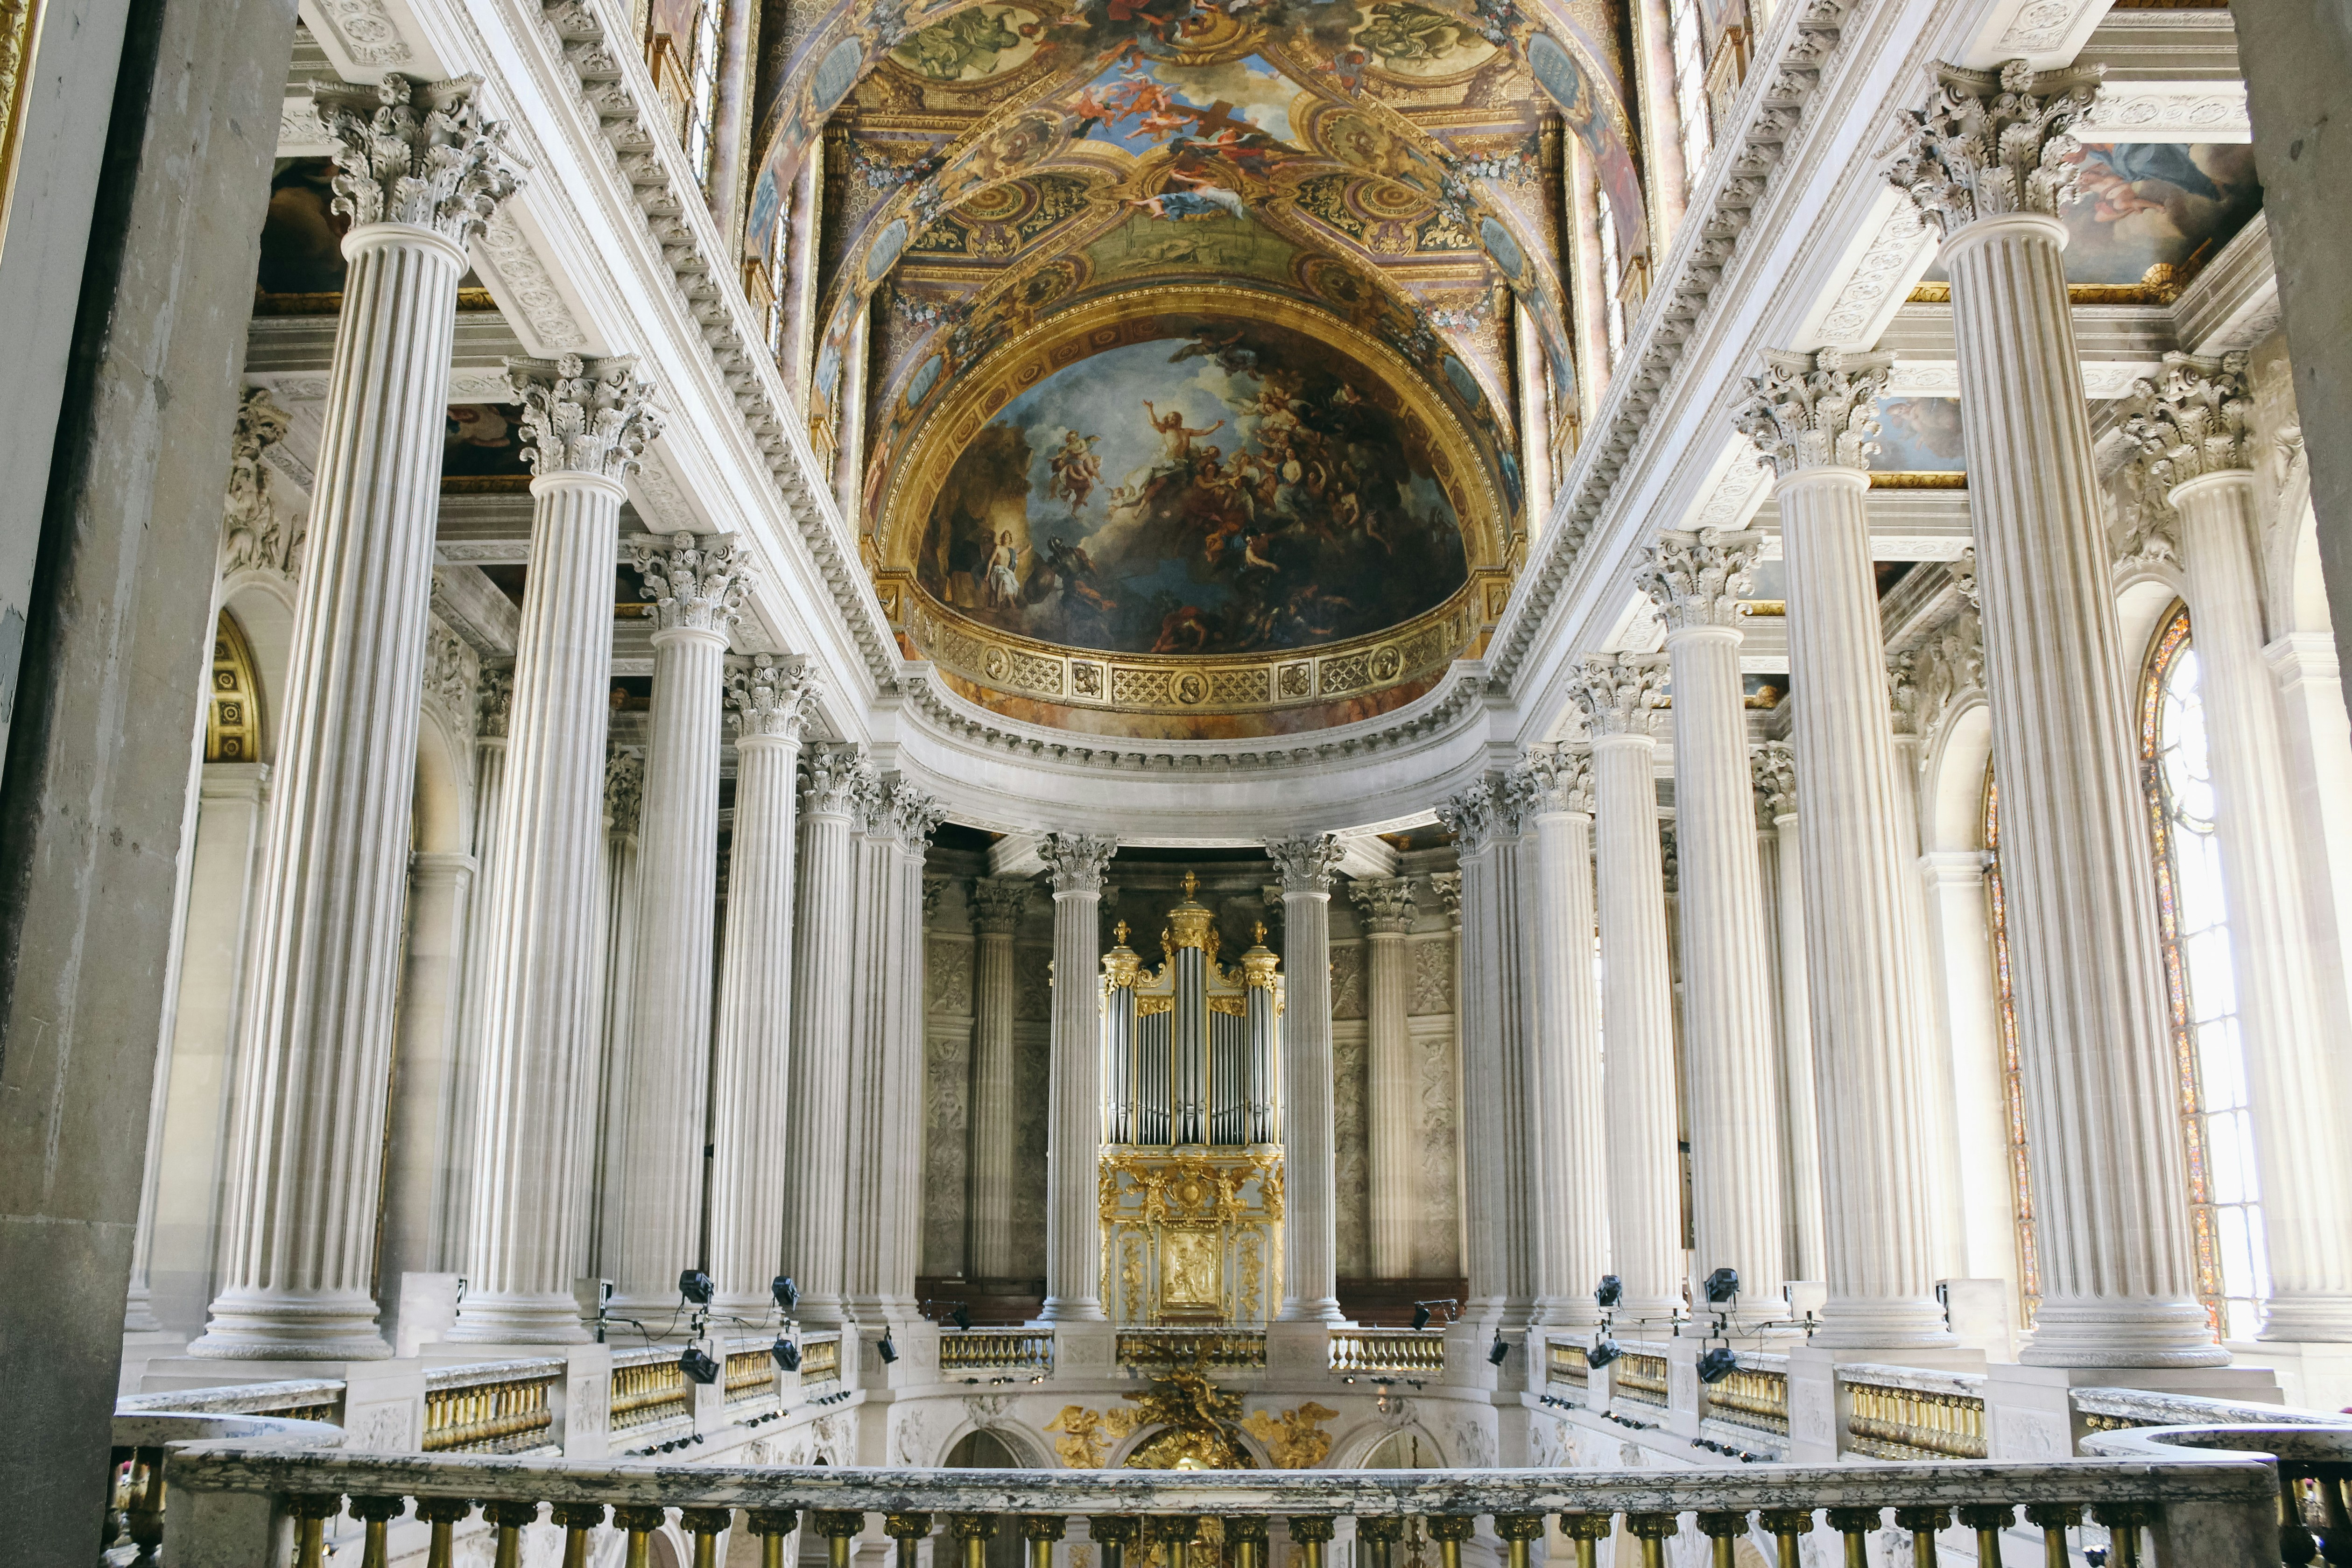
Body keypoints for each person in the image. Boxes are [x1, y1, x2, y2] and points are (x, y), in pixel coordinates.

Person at [985, 530, 1021, 607]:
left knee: (1013, 583)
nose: (1005, 537)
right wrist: (988, 574)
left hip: (1007, 572)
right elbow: (991, 561)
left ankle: (1005, 604)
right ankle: (1012, 604)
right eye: (1004, 535)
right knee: (1005, 578)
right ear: (1002, 538)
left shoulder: (1011, 552)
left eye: (1007, 536)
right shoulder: (998, 548)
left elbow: (1019, 556)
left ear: (1010, 539)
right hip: (997, 571)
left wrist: (1028, 549)